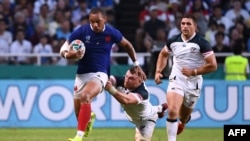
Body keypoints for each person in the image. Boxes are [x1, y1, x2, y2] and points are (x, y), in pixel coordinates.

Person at [59, 7, 144, 141]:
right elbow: (63, 48)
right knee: (78, 113)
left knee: (85, 96)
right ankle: (90, 116)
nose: (95, 25)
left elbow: (127, 45)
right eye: (92, 22)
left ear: (105, 19)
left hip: (100, 74)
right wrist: (67, 54)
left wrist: (136, 64)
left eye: (97, 21)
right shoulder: (82, 31)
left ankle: (78, 137)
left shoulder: (111, 33)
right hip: (81, 75)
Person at [154, 14, 217, 141]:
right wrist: (158, 71)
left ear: (195, 26)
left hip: (194, 83)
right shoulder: (173, 40)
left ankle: (183, 122)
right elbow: (163, 54)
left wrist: (193, 72)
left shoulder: (202, 43)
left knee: (183, 116)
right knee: (172, 111)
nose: (185, 26)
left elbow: (213, 65)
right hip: (177, 79)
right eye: (183, 23)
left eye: (188, 24)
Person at [105, 66, 168, 141]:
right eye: (126, 76)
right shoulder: (123, 80)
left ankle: (159, 110)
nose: (127, 80)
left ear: (139, 81)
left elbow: (126, 100)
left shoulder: (143, 92)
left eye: (131, 78)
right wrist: (108, 82)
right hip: (134, 116)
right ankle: (160, 108)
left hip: (146, 120)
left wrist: (111, 89)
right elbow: (111, 79)